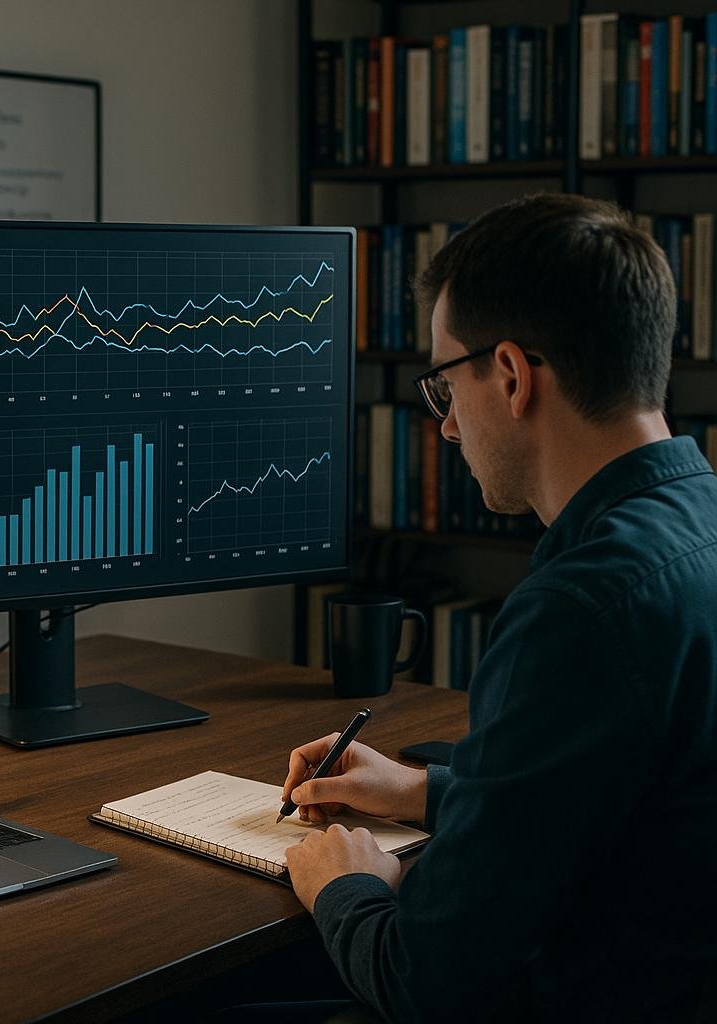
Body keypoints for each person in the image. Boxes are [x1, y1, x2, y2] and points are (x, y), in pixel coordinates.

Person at [279, 194, 717, 1023]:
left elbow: (424, 980)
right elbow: (629, 801)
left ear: (511, 376)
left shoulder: (581, 608)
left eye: (445, 388)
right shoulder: (700, 529)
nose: (445, 430)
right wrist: (427, 791)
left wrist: (344, 887)